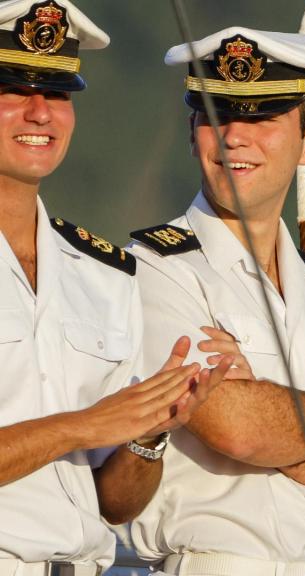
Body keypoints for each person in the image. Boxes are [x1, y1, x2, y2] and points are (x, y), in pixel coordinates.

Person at [127, 27, 305, 576]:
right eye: (216, 116)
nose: (235, 136)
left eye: (262, 118)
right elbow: (237, 428)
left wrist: (268, 416)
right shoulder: (154, 269)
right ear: (192, 132)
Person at [0, 1, 227, 574]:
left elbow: (114, 504)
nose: (40, 112)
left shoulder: (104, 274)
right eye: (13, 89)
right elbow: (88, 427)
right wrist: (85, 425)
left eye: (58, 93)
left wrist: (150, 430)